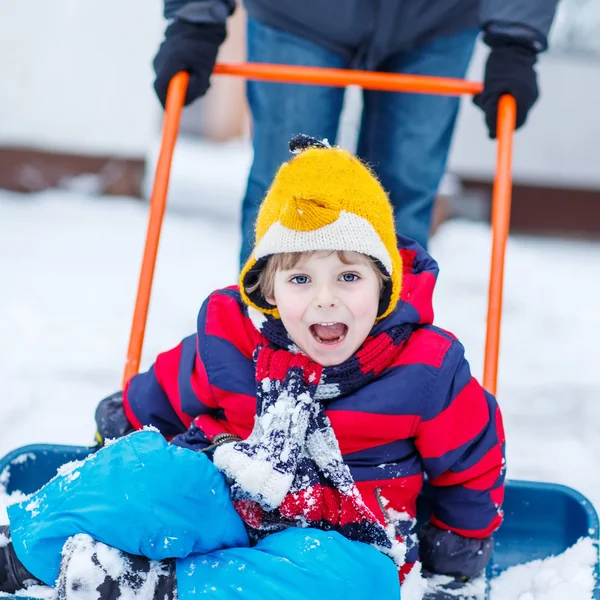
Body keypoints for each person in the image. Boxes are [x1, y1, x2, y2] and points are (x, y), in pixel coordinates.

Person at [1, 136, 505, 599]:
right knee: (149, 470)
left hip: (340, 540)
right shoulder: (231, 337)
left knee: (364, 585)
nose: (326, 300)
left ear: (384, 284)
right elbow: (159, 396)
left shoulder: (427, 368)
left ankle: (155, 584)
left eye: (349, 276)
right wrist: (117, 444)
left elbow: (471, 463)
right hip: (222, 501)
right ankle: (24, 555)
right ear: (266, 290)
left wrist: (457, 551)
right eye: (301, 279)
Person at [153, 0, 558, 266]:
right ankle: (268, 350)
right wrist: (195, 19)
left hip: (437, 18)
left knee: (402, 194)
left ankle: (388, 359)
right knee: (292, 188)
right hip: (298, 15)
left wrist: (515, 39)